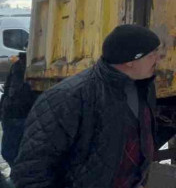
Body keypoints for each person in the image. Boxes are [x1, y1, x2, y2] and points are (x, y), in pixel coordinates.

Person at [11, 24, 161, 188]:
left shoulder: (144, 87)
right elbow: (31, 172)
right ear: (131, 61)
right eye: (151, 55)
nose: (158, 59)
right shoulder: (68, 97)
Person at [0, 52, 37, 164]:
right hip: (13, 116)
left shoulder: (29, 66)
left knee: (13, 153)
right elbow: (8, 90)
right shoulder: (18, 65)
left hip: (20, 116)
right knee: (9, 153)